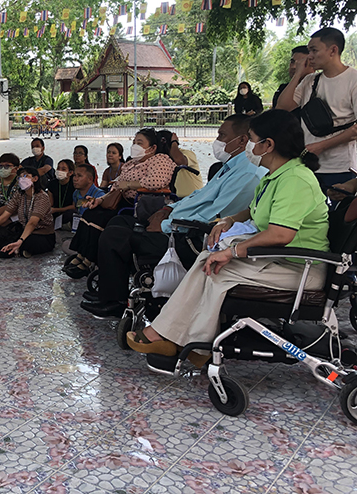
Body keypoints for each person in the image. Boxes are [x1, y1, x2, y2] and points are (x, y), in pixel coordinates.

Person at [127, 110, 329, 359]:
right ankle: (177, 338)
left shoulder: (296, 179)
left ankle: (191, 343)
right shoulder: (276, 176)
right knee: (207, 262)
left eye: (252, 139)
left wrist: (232, 252)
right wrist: (230, 220)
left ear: (268, 145)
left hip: (300, 268)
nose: (249, 145)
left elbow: (280, 234)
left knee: (216, 271)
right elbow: (255, 211)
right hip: (277, 259)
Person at [84, 115, 265, 317]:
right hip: (177, 222)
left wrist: (166, 225)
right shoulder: (230, 167)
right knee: (118, 221)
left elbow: (215, 214)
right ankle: (112, 292)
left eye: (222, 135)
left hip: (192, 238)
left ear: (241, 140)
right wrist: (167, 210)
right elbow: (199, 197)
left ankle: (114, 301)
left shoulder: (248, 173)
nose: (218, 141)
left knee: (116, 237)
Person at [64, 128, 176, 278]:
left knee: (100, 218)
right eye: (134, 142)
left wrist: (130, 185)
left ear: (153, 147)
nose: (135, 145)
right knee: (91, 212)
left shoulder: (160, 159)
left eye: (139, 143)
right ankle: (82, 254)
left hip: (137, 203)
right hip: (119, 199)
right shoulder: (131, 164)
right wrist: (100, 200)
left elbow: (156, 181)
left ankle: (89, 258)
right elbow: (116, 187)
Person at [276, 27, 357, 192]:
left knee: (335, 215)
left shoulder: (353, 80)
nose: (309, 56)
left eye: (314, 50)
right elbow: (283, 107)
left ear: (333, 50)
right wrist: (298, 74)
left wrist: (322, 146)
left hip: (340, 167)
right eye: (308, 51)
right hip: (310, 165)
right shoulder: (310, 81)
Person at [0, 166, 56, 257]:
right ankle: (18, 250)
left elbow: (32, 223)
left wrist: (20, 241)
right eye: (19, 177)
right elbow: (4, 216)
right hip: (22, 230)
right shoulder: (19, 194)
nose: (22, 179)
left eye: (25, 176)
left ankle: (19, 248)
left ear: (35, 178)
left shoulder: (42, 197)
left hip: (41, 235)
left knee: (28, 242)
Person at [156, 130, 203, 197]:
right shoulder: (158, 158)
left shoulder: (187, 154)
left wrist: (174, 142)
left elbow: (179, 161)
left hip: (192, 197)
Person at [271, 45, 311, 114]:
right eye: (292, 62)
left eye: (301, 63)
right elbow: (280, 111)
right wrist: (297, 75)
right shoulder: (282, 89)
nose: (294, 67)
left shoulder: (317, 88)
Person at [47, 159, 76, 229]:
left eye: (63, 169)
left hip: (68, 212)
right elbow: (50, 203)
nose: (59, 171)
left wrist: (56, 210)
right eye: (58, 168)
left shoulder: (75, 185)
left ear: (70, 173)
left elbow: (74, 206)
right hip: (54, 212)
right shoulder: (52, 184)